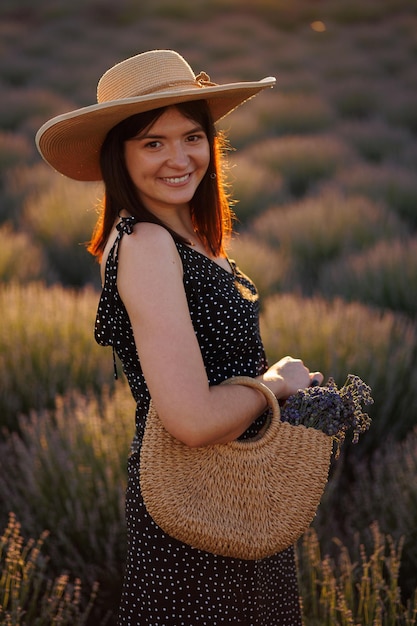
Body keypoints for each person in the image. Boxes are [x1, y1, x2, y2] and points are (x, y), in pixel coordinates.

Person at [36, 49, 323, 626]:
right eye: (152, 142)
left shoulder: (178, 234)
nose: (179, 158)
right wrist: (277, 385)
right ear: (117, 153)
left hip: (231, 492)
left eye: (191, 136)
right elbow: (189, 420)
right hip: (195, 508)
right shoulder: (145, 246)